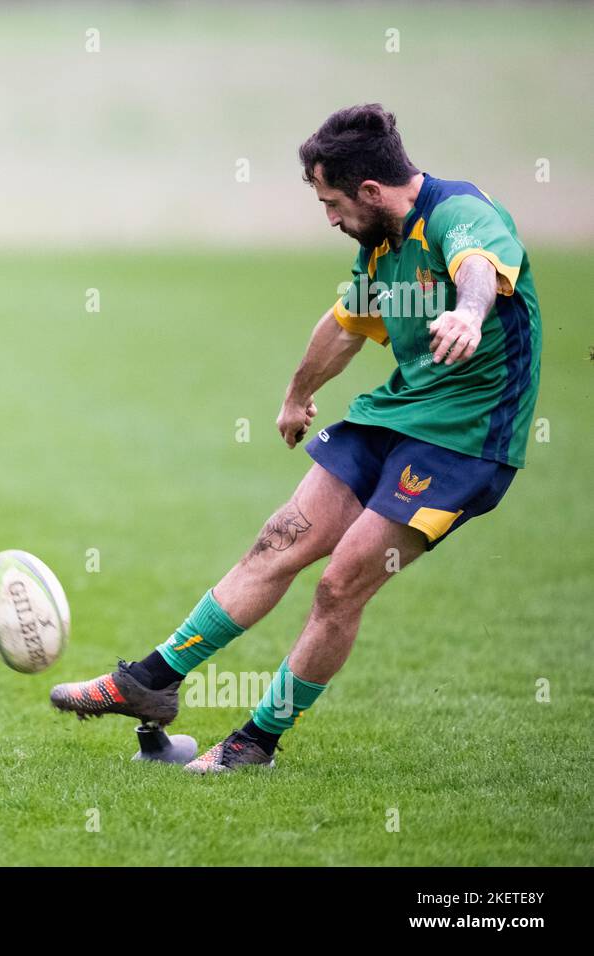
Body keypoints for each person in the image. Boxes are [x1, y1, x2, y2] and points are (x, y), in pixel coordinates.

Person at [49, 104, 542, 773]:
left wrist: (468, 312)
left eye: (332, 203)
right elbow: (345, 323)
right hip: (395, 415)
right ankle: (150, 681)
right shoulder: (380, 243)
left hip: (464, 439)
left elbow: (478, 268)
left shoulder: (460, 214)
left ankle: (256, 743)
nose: (330, 218)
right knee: (278, 540)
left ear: (370, 191)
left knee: (340, 585)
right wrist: (297, 393)